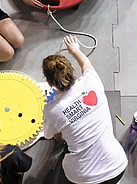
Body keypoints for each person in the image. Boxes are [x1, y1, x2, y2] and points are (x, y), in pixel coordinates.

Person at [42, 36, 127, 184]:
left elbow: (50, 136)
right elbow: (86, 64)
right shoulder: (92, 80)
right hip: (117, 166)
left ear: (49, 83)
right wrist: (75, 50)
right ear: (72, 70)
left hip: (84, 177)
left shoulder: (52, 110)